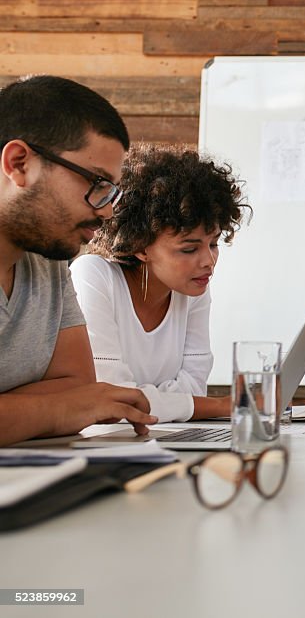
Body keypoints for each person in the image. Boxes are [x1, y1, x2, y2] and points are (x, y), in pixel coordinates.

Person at [0, 75, 155, 446]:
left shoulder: (49, 258)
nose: (105, 213)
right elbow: (80, 403)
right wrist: (61, 408)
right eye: (96, 183)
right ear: (19, 163)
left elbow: (79, 386)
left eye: (111, 193)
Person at [70, 144, 249, 422]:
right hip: (106, 446)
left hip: (166, 439)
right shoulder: (93, 275)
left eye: (213, 243)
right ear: (140, 246)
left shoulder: (193, 287)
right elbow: (113, 399)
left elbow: (194, 388)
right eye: (189, 249)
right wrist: (224, 405)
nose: (208, 261)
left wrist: (156, 399)